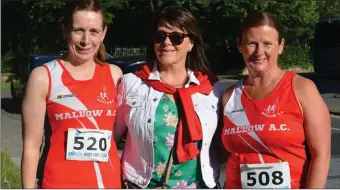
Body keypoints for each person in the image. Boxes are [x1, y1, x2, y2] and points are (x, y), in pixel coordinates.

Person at [115, 7, 222, 188]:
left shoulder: (211, 87)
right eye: (160, 36)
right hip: (142, 185)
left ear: (191, 43)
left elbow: (225, 143)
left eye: (176, 37)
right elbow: (111, 139)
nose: (166, 42)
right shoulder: (131, 84)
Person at [221, 12, 331, 188]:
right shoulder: (229, 96)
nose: (259, 52)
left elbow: (321, 156)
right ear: (239, 45)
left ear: (280, 46)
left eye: (267, 44)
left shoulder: (302, 89)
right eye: (251, 43)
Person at [21, 0, 123, 188]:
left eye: (94, 31)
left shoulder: (115, 75)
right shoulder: (43, 77)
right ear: (65, 30)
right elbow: (31, 145)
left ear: (104, 33)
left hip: (107, 183)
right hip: (58, 183)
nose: (86, 41)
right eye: (78, 30)